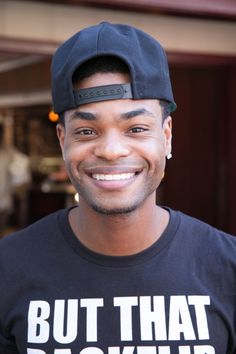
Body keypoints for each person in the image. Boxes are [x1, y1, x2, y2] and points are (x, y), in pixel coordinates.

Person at [0, 22, 235, 354]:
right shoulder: (8, 269)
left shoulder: (227, 268)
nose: (111, 150)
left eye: (136, 127)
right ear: (63, 140)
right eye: (86, 131)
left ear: (166, 135)